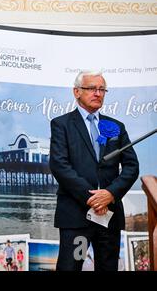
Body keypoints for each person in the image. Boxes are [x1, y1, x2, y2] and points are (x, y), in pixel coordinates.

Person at [49, 70, 139, 271]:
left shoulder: (115, 126)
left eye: (102, 89)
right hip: (76, 217)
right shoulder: (62, 124)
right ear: (76, 92)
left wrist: (110, 194)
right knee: (71, 267)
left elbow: (132, 166)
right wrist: (93, 199)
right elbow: (60, 165)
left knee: (107, 267)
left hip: (109, 217)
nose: (98, 93)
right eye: (91, 88)